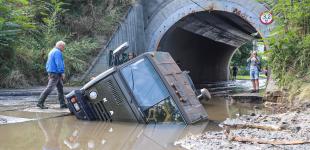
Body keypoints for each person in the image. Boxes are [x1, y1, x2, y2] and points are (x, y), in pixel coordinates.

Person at [37, 41, 67, 109]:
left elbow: (48, 63)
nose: (64, 48)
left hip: (52, 72)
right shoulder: (57, 52)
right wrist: (62, 72)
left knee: (60, 88)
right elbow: (59, 63)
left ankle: (62, 104)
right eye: (63, 47)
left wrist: (49, 71)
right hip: (55, 73)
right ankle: (40, 102)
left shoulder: (52, 51)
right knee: (49, 88)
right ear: (60, 46)